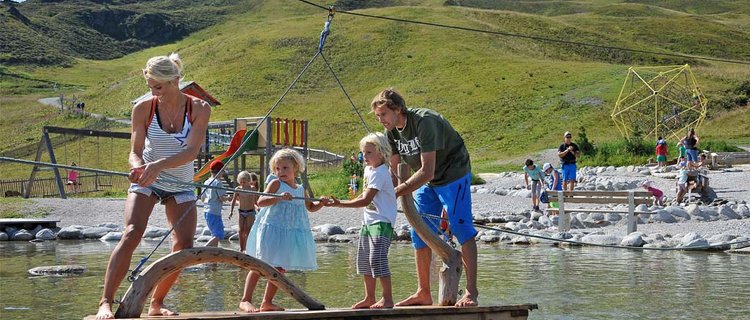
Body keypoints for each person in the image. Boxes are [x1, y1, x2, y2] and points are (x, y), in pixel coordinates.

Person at [95, 53, 211, 320]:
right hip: (148, 180)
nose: (154, 92)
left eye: (159, 87)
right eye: (150, 87)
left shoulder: (199, 108)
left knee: (184, 245)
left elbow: (191, 152)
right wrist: (138, 166)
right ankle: (105, 302)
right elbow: (135, 151)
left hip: (180, 183)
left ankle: (156, 302)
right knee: (132, 232)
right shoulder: (143, 108)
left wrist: (158, 165)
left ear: (176, 80)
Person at [371, 88, 478, 307]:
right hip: (427, 181)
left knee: (460, 227)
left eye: (383, 114)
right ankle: (423, 292)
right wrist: (379, 195)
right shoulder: (391, 132)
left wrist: (395, 194)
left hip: (453, 173)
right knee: (418, 229)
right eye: (377, 116)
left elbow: (427, 170)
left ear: (398, 109)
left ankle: (471, 292)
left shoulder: (425, 122)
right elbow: (394, 172)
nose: (380, 120)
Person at [239, 148, 327, 312]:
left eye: (285, 168)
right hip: (271, 230)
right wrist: (277, 197)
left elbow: (310, 207)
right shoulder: (276, 183)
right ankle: (245, 299)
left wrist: (321, 203)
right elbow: (260, 201)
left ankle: (267, 301)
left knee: (279, 268)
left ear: (296, 167)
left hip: (288, 232)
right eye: (277, 169)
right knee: (260, 264)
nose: (281, 172)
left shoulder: (301, 189)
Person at [326, 132, 397, 309]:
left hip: (382, 222)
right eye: (363, 153)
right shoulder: (368, 170)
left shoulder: (380, 173)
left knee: (377, 259)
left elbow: (365, 200)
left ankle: (387, 299)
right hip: (368, 222)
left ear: (381, 153)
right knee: (364, 261)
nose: (364, 156)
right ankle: (369, 297)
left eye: (369, 153)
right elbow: (365, 195)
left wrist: (339, 204)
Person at [229, 171, 259, 253]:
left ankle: (247, 248)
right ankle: (241, 248)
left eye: (244, 182)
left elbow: (255, 201)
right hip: (241, 211)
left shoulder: (252, 189)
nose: (242, 184)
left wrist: (258, 208)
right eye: (241, 182)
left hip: (250, 211)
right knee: (240, 230)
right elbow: (233, 201)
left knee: (248, 230)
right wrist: (231, 211)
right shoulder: (238, 189)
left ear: (248, 181)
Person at [202, 160, 230, 247]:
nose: (222, 174)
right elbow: (221, 198)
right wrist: (229, 198)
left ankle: (213, 254)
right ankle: (203, 249)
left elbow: (202, 198)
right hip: (214, 212)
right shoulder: (218, 183)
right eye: (222, 172)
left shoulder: (207, 182)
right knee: (218, 235)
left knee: (213, 234)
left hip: (206, 211)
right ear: (220, 172)